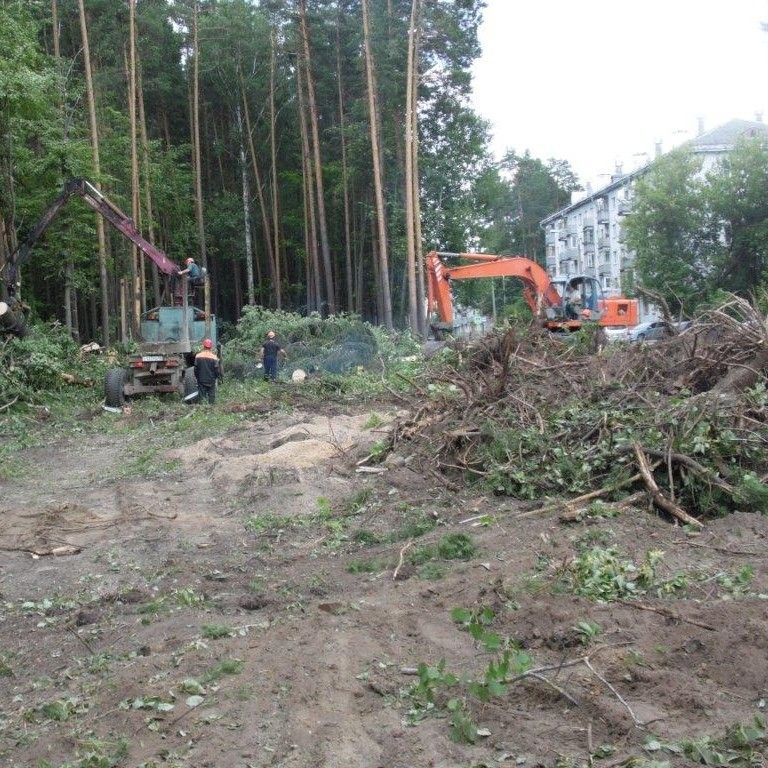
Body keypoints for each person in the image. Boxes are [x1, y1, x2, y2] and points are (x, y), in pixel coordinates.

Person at [194, 338, 222, 404]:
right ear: (211, 347)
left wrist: (197, 377)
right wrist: (215, 377)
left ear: (203, 346)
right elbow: (216, 370)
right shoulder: (214, 357)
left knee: (201, 396)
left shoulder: (198, 356)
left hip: (201, 379)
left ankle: (202, 409)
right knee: (211, 396)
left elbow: (195, 369)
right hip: (211, 380)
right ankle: (211, 408)